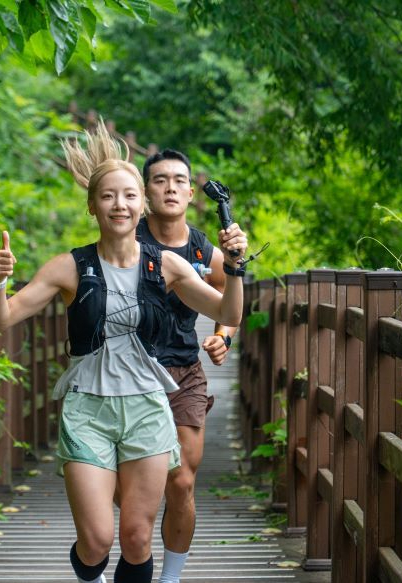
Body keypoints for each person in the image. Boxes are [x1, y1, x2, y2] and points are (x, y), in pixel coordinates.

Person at [0, 123, 247, 583]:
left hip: (149, 405)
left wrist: (238, 269)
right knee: (97, 541)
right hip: (88, 408)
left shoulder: (167, 263)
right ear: (93, 206)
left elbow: (228, 310)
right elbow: (2, 319)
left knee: (135, 538)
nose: (120, 205)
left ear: (140, 204)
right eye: (108, 197)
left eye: (128, 196)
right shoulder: (70, 266)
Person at [136, 149, 237, 583]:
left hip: (183, 372)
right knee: (132, 492)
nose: (170, 187)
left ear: (192, 193)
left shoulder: (203, 248)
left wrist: (223, 336)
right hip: (129, 373)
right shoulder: (128, 238)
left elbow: (228, 297)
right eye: (160, 180)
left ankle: (171, 578)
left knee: (181, 482)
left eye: (179, 180)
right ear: (145, 193)